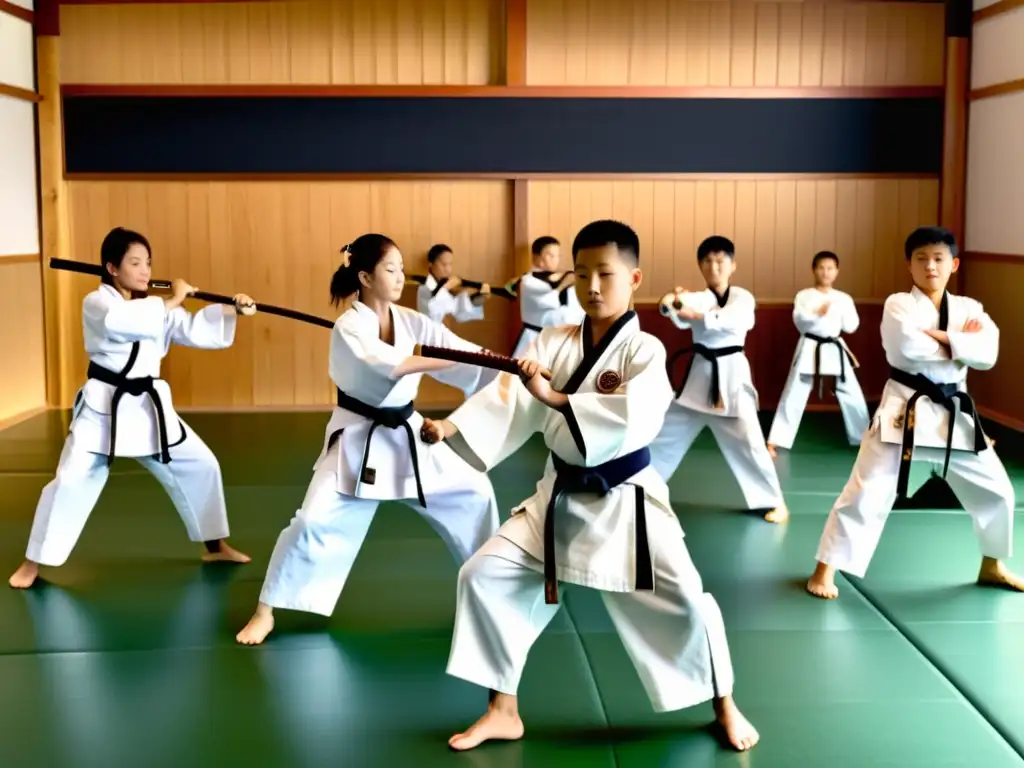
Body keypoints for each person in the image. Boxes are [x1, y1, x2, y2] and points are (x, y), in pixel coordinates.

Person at [421, 220, 760, 753]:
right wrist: (452, 427)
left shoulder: (643, 351)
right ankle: (502, 710)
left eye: (606, 273)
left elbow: (634, 419)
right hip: (555, 497)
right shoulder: (553, 341)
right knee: (483, 575)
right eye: (582, 275)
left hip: (626, 501)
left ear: (634, 278)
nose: (593, 286)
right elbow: (509, 395)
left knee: (690, 603)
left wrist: (555, 398)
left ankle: (725, 703)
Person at [236, 233, 501, 645]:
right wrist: (450, 357)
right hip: (358, 438)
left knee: (476, 492)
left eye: (400, 269)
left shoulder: (412, 321)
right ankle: (265, 609)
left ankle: (491, 592)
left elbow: (460, 350)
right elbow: (388, 366)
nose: (399, 277)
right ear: (364, 276)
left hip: (409, 436)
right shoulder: (349, 327)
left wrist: (502, 363)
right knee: (311, 521)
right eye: (390, 269)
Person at [8, 227, 253, 590]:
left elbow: (195, 329)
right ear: (111, 267)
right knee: (71, 481)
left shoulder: (154, 308)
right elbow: (122, 323)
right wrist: (169, 301)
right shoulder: (98, 303)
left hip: (148, 409)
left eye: (148, 263)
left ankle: (215, 545)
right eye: (135, 263)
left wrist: (232, 310)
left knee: (201, 465)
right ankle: (33, 563)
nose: (145, 271)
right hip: (104, 409)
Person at [807, 226, 1024, 599]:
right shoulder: (898, 305)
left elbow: (988, 353)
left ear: (953, 264)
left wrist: (941, 338)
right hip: (904, 413)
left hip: (955, 415)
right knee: (865, 492)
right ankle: (824, 570)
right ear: (909, 265)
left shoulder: (970, 308)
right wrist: (960, 343)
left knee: (999, 492)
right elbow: (905, 346)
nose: (930, 266)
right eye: (921, 259)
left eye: (939, 259)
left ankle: (993, 564)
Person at [649, 236, 788, 523]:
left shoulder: (743, 298)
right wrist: (672, 302)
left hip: (731, 379)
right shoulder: (698, 296)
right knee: (665, 435)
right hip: (699, 379)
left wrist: (697, 315)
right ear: (700, 265)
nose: (714, 267)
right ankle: (640, 487)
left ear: (732, 265)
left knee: (750, 444)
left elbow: (733, 319)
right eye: (708, 261)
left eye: (720, 261)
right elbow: (671, 306)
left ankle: (774, 501)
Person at [767, 251, 869, 456]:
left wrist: (838, 313)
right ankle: (775, 440)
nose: (825, 272)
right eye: (821, 267)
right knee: (794, 392)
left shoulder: (843, 298)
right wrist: (816, 315)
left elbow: (852, 326)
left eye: (830, 268)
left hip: (833, 346)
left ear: (837, 271)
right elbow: (799, 321)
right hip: (810, 346)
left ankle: (866, 439)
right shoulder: (804, 296)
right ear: (814, 270)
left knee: (852, 392)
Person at [509, 236, 586, 357]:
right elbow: (547, 301)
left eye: (557, 256)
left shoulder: (567, 280)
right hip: (534, 339)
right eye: (550, 255)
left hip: (562, 341)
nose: (556, 260)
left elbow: (577, 312)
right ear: (536, 256)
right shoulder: (528, 281)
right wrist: (563, 284)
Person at [415, 243, 490, 325]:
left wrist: (477, 298)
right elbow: (432, 312)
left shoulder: (445, 288)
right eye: (444, 265)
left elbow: (458, 313)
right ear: (431, 265)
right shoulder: (424, 288)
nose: (448, 270)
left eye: (450, 264)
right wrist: (446, 287)